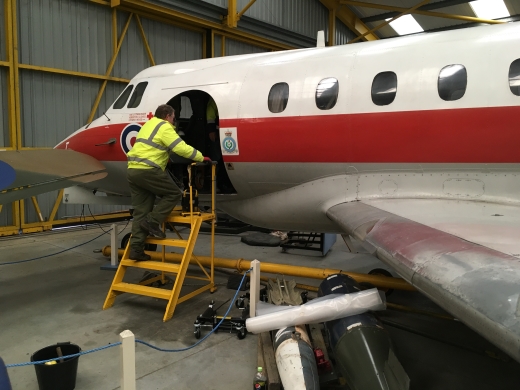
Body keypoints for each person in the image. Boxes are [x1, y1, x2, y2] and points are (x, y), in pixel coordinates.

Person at [127, 104, 210, 261]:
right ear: (167, 116)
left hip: (133, 170)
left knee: (141, 211)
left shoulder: (148, 125)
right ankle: (152, 222)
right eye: (173, 117)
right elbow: (180, 147)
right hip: (148, 170)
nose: (174, 121)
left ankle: (136, 249)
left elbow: (152, 147)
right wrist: (200, 157)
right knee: (173, 193)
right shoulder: (165, 127)